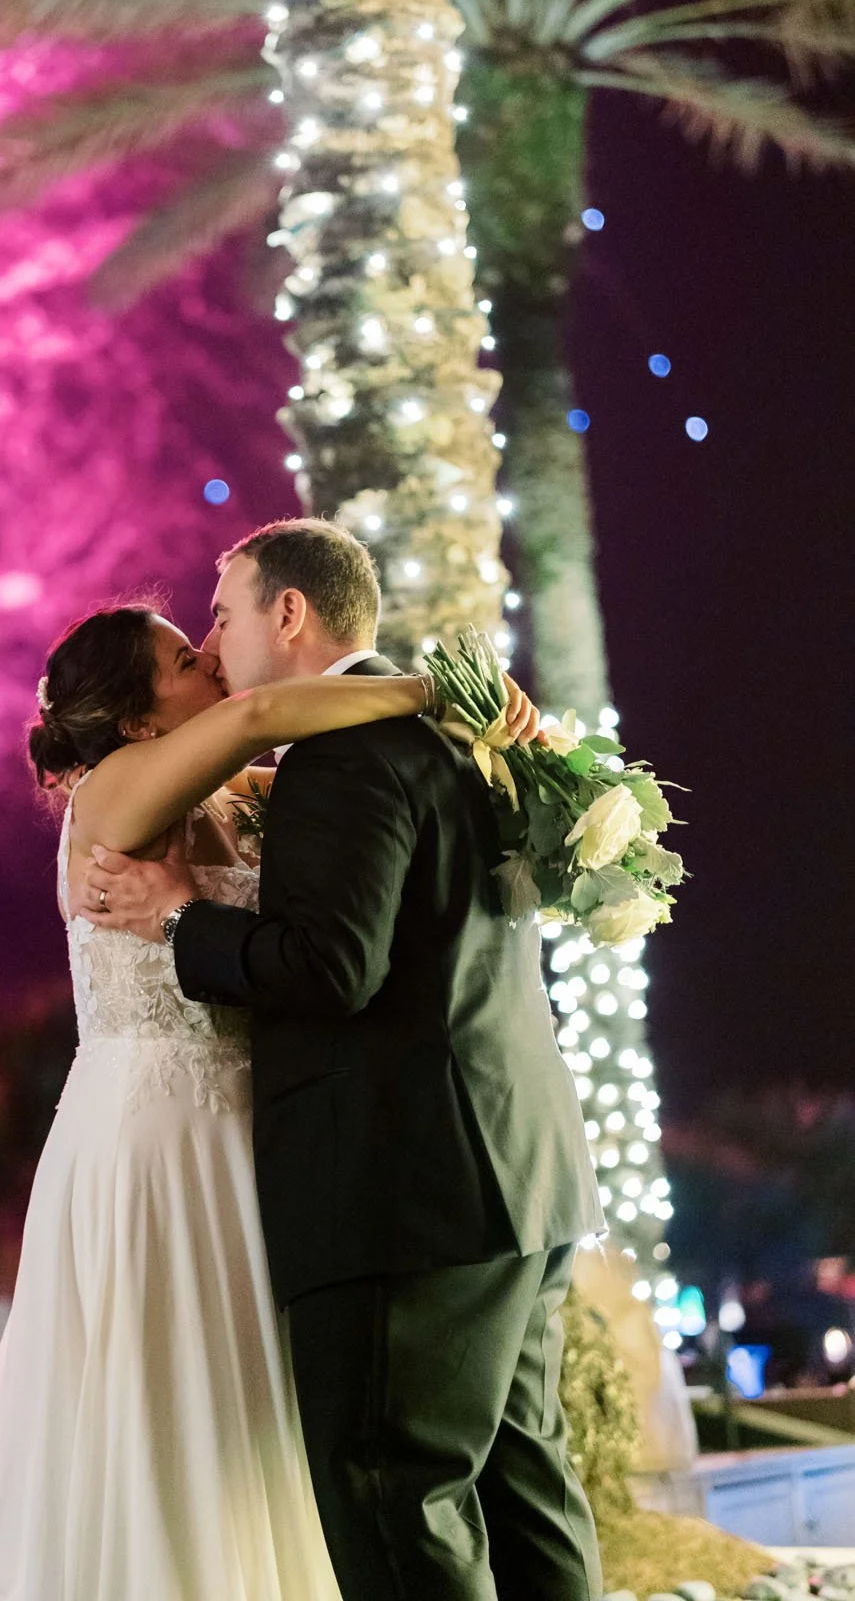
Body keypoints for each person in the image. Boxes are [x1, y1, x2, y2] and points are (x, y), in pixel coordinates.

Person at [0, 574, 539, 1601]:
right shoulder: (111, 792)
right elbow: (262, 710)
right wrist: (436, 691)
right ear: (134, 714)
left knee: (269, 1420)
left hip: (257, 1131)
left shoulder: (241, 795)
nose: (209, 656)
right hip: (157, 1133)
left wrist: (505, 735)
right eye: (180, 660)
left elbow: (338, 780)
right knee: (170, 1404)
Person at [83, 519, 605, 1601]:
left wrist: (182, 918)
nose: (216, 645)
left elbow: (330, 969)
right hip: (517, 1172)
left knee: (395, 1501)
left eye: (221, 615)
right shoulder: (463, 741)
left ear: (288, 611)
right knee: (524, 1492)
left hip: (403, 1193)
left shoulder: (341, 752)